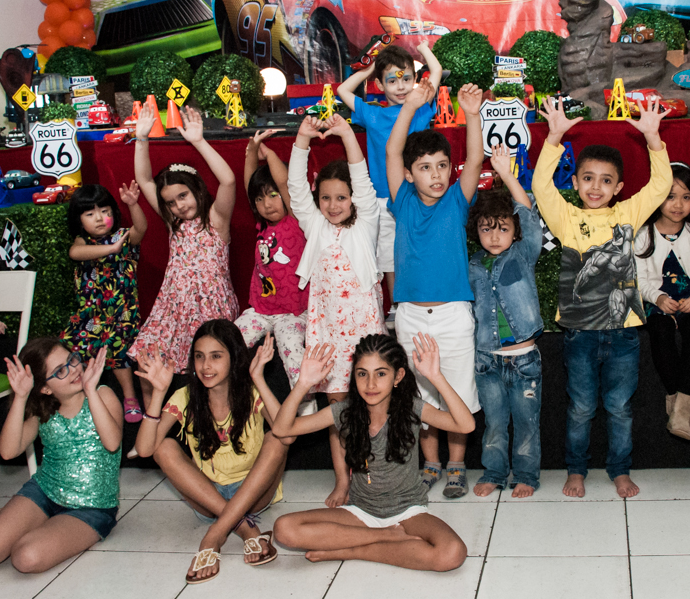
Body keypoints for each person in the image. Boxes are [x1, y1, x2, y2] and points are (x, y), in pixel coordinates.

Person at [531, 94, 671, 499]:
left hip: (624, 333)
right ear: (576, 183)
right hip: (579, 332)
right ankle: (576, 470)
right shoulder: (567, 218)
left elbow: (660, 185)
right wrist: (555, 138)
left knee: (619, 408)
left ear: (619, 187)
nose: (596, 187)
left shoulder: (626, 214)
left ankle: (619, 470)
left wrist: (653, 140)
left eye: (606, 180)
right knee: (580, 408)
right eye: (588, 178)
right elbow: (541, 185)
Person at [272, 334, 473, 572]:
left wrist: (436, 377)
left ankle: (354, 550)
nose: (370, 384)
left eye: (381, 373)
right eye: (362, 373)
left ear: (398, 376)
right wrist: (303, 383)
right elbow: (282, 429)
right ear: (353, 376)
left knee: (452, 553)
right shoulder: (344, 411)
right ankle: (387, 537)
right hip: (360, 512)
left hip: (408, 512)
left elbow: (465, 425)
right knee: (284, 528)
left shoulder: (411, 408)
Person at [0, 338, 122, 573]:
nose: (74, 370)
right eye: (60, 371)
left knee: (26, 557)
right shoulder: (43, 410)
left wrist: (90, 391)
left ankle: (35, 528)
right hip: (44, 493)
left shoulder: (103, 394)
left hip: (92, 507)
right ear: (45, 388)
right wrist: (21, 397)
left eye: (72, 360)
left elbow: (113, 443)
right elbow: (8, 451)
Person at [386, 80, 484, 499]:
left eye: (442, 165)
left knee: (456, 392)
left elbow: (476, 157)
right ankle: (430, 465)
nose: (436, 174)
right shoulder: (402, 200)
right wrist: (409, 106)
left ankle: (458, 467)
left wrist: (472, 115)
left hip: (453, 315)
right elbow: (392, 151)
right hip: (411, 316)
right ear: (410, 175)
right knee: (421, 397)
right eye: (425, 167)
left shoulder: (456, 200)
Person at [134, 320, 289, 583]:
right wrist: (158, 393)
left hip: (253, 494)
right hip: (208, 497)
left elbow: (287, 431)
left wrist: (259, 379)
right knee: (165, 446)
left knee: (277, 439)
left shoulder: (251, 393)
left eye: (216, 356)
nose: (206, 366)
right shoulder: (185, 397)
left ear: (234, 358)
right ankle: (244, 528)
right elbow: (146, 449)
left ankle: (213, 536)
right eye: (199, 357)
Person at [288, 113, 385, 507]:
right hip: (328, 336)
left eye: (341, 198)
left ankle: (376, 477)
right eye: (325, 198)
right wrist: (301, 140)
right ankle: (343, 481)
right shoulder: (316, 226)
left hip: (364, 335)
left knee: (373, 409)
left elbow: (361, 180)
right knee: (337, 415)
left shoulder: (367, 224)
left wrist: (346, 133)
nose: (333, 205)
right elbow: (295, 189)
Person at [127, 105, 239, 374]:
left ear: (196, 189)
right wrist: (141, 139)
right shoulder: (173, 222)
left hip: (211, 309)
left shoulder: (216, 219)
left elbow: (229, 181)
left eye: (183, 196)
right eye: (170, 202)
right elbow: (143, 178)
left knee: (209, 367)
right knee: (147, 357)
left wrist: (199, 142)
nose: (178, 205)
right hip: (174, 307)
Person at [336, 43, 443, 305]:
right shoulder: (372, 114)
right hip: (383, 200)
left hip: (417, 195)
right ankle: (397, 305)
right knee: (389, 258)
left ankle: (421, 300)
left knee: (418, 251)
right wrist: (371, 68)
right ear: (380, 86)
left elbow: (437, 71)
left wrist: (421, 48)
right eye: (392, 80)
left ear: (415, 79)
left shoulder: (419, 109)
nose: (401, 86)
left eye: (407, 78)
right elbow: (342, 90)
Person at [467, 144, 544, 498]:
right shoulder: (471, 266)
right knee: (495, 423)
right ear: (476, 233)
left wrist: (507, 175)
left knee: (526, 423)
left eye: (502, 228)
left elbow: (528, 213)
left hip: (525, 359)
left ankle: (527, 475)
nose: (495, 236)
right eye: (486, 229)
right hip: (487, 362)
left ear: (514, 231)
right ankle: (495, 473)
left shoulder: (523, 254)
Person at [634, 162, 690, 440]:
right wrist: (657, 297)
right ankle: (684, 411)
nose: (678, 204)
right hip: (659, 303)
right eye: (670, 196)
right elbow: (639, 279)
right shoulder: (643, 235)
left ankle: (678, 410)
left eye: (686, 197)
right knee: (660, 332)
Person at [235, 130, 310, 412]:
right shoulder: (262, 225)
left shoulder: (296, 219)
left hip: (293, 310)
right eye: (260, 200)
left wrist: (271, 155)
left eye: (273, 196)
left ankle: (305, 406)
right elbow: (248, 183)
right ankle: (234, 397)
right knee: (231, 341)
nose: (267, 204)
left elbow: (284, 181)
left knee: (294, 357)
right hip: (261, 309)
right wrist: (251, 150)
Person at [64, 182, 148, 422]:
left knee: (119, 352)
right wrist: (110, 249)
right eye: (90, 214)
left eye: (105, 211)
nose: (99, 218)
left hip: (122, 315)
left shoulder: (123, 237)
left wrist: (133, 204)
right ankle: (79, 398)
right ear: (80, 221)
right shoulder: (83, 242)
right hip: (92, 317)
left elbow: (141, 228)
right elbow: (75, 254)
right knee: (77, 350)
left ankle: (130, 398)